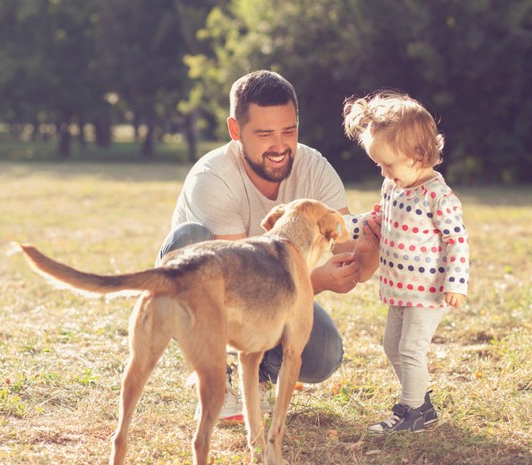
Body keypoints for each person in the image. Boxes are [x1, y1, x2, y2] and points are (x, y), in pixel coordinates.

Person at [157, 70, 380, 422]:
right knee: (190, 236)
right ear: (235, 131)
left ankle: (258, 372)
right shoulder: (213, 178)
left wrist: (369, 248)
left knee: (324, 354)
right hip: (210, 293)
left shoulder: (315, 168)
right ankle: (213, 376)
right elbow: (238, 286)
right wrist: (318, 280)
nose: (279, 146)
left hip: (275, 294)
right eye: (264, 134)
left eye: (288, 131)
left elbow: (347, 253)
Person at [342, 90, 469, 434]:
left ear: (418, 154)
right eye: (379, 165)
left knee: (411, 348)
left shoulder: (438, 196)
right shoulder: (393, 186)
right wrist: (341, 226)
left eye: (388, 164)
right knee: (391, 347)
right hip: (398, 287)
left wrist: (456, 282)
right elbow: (376, 221)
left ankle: (413, 411)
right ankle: (420, 401)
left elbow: (456, 240)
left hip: (427, 292)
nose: (384, 172)